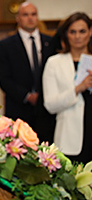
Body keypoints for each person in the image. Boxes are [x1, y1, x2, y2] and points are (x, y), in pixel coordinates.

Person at [0, 2, 54, 142]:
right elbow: (4, 79)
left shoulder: (50, 43)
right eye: (25, 14)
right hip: (18, 108)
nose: (30, 18)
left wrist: (42, 96)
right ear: (18, 18)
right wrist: (27, 96)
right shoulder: (5, 45)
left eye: (33, 14)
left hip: (46, 110)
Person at [43, 12, 92, 164]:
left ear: (90, 33)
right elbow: (50, 105)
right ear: (66, 35)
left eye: (82, 31)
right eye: (73, 31)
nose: (77, 36)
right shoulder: (54, 63)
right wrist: (78, 88)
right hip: (69, 136)